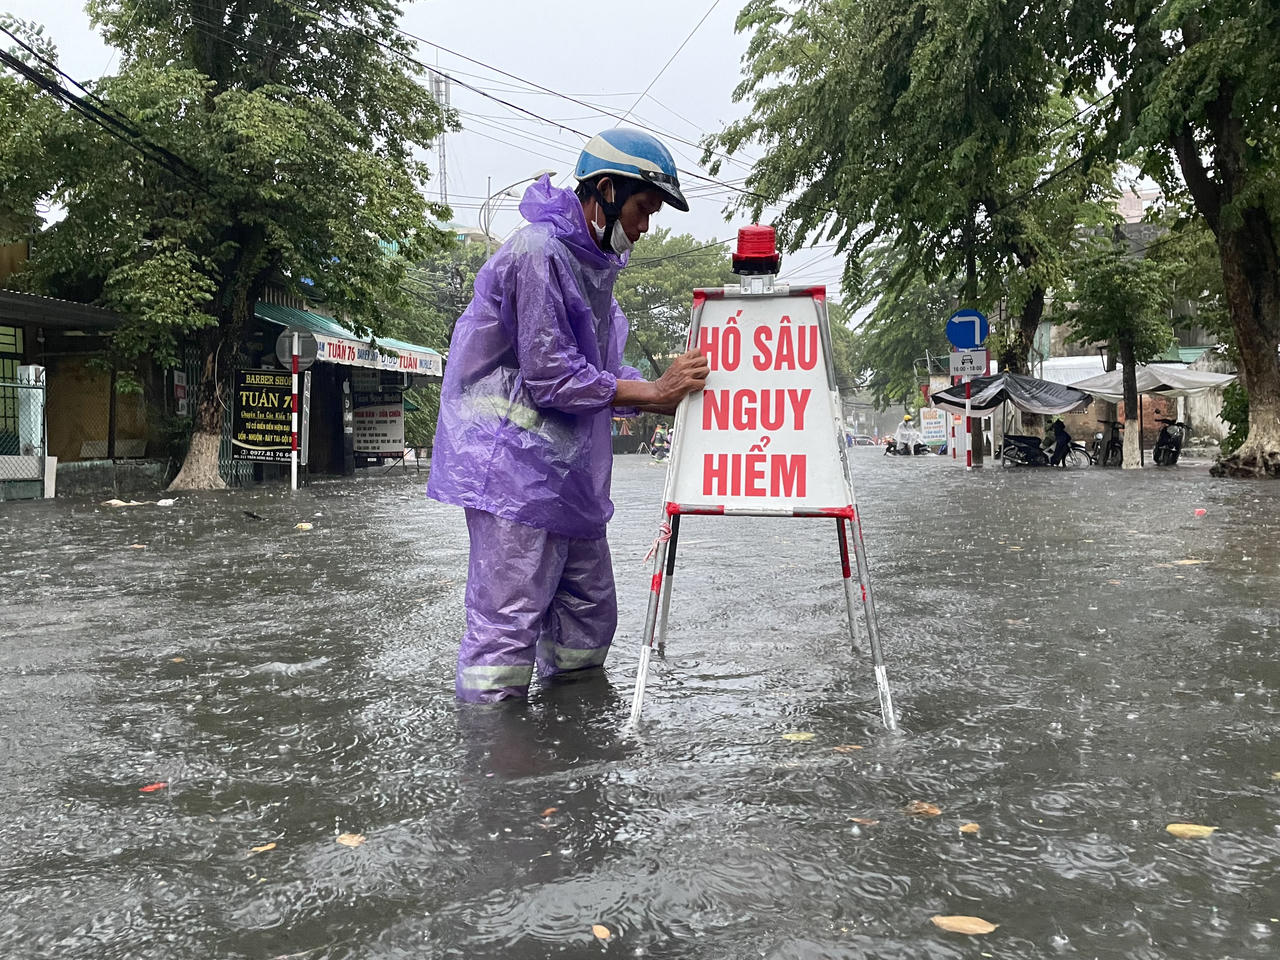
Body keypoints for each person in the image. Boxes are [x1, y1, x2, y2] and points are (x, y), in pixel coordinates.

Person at [427, 129, 709, 703]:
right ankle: (495, 763)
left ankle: (576, 749)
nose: (644, 227)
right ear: (605, 191)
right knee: (506, 630)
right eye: (641, 209)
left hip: (565, 474)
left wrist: (651, 387)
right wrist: (652, 393)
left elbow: (597, 362)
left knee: (589, 615)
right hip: (510, 471)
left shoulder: (592, 265)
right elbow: (552, 374)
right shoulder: (539, 253)